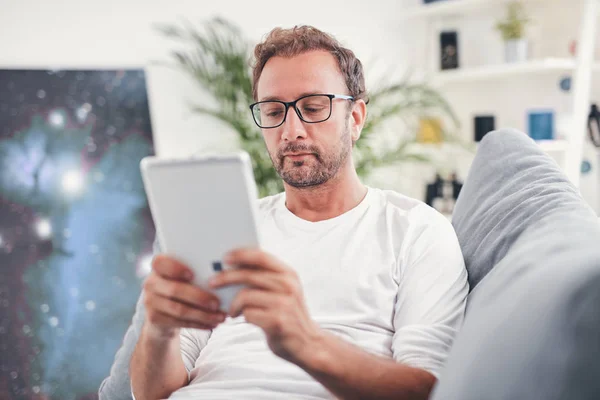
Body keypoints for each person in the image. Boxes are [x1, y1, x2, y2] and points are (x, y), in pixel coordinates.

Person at [129, 25, 468, 400]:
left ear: (355, 118)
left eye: (312, 107)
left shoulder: (417, 231)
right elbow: (152, 394)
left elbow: (429, 390)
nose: (291, 131)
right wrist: (159, 332)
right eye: (274, 111)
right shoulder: (227, 229)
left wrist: (304, 342)